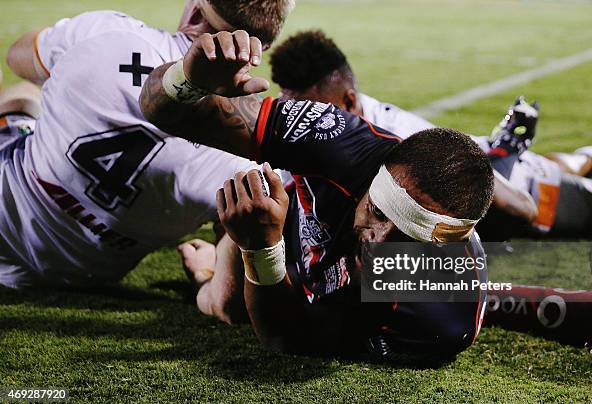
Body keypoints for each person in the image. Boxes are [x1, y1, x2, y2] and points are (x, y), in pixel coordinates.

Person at [140, 30, 495, 359]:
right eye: (379, 212)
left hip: (326, 281)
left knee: (228, 306)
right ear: (375, 180)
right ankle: (219, 264)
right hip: (299, 219)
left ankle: (205, 273)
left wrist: (262, 249)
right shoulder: (343, 143)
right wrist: (187, 77)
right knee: (231, 293)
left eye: (407, 240)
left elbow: (289, 337)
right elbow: (165, 108)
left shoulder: (431, 312)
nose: (379, 243)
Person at [0, 0, 294, 289]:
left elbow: (18, 56)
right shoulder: (247, 161)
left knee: (23, 95)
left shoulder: (108, 31)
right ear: (261, 48)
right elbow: (231, 298)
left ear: (194, 11)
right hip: (77, 277)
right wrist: (207, 274)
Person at [268, 30, 592, 240]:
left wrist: (505, 153)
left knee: (579, 197)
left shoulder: (401, 140)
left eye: (317, 114)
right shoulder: (299, 135)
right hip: (475, 153)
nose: (305, 124)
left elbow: (518, 207)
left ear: (349, 100)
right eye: (293, 111)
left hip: (509, 177)